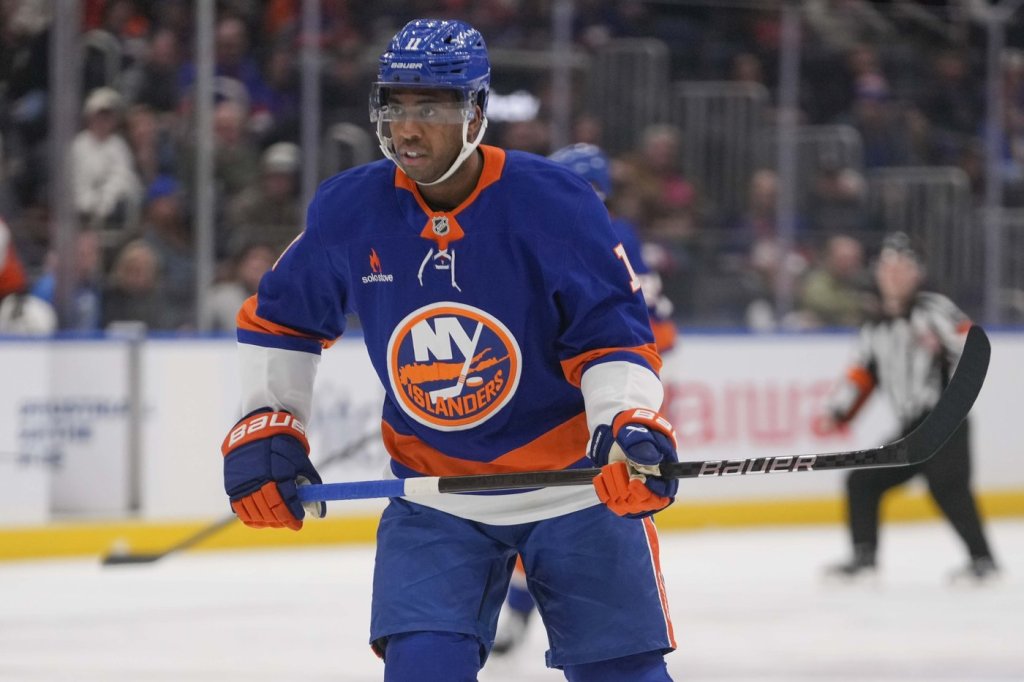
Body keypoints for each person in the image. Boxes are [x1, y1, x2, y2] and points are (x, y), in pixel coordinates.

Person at [221, 19, 679, 681]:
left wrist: (624, 420)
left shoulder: (554, 203)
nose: (408, 130)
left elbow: (610, 334)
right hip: (436, 497)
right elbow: (281, 320)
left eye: (431, 109)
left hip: (575, 489)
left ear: (476, 112)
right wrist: (268, 423)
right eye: (395, 107)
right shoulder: (350, 209)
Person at [492, 143, 678, 655]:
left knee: (559, 513)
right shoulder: (608, 234)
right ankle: (555, 618)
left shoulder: (581, 235)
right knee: (564, 513)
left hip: (592, 401)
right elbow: (660, 332)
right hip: (601, 395)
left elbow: (642, 329)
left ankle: (541, 615)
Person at [818, 232, 999, 584]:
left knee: (947, 486)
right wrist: (838, 412)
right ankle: (864, 558)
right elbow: (861, 376)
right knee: (863, 481)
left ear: (917, 274)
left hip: (945, 422)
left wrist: (955, 355)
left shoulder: (933, 309)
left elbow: (970, 345)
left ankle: (983, 560)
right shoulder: (874, 326)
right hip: (912, 428)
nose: (894, 275)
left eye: (903, 268)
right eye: (888, 268)